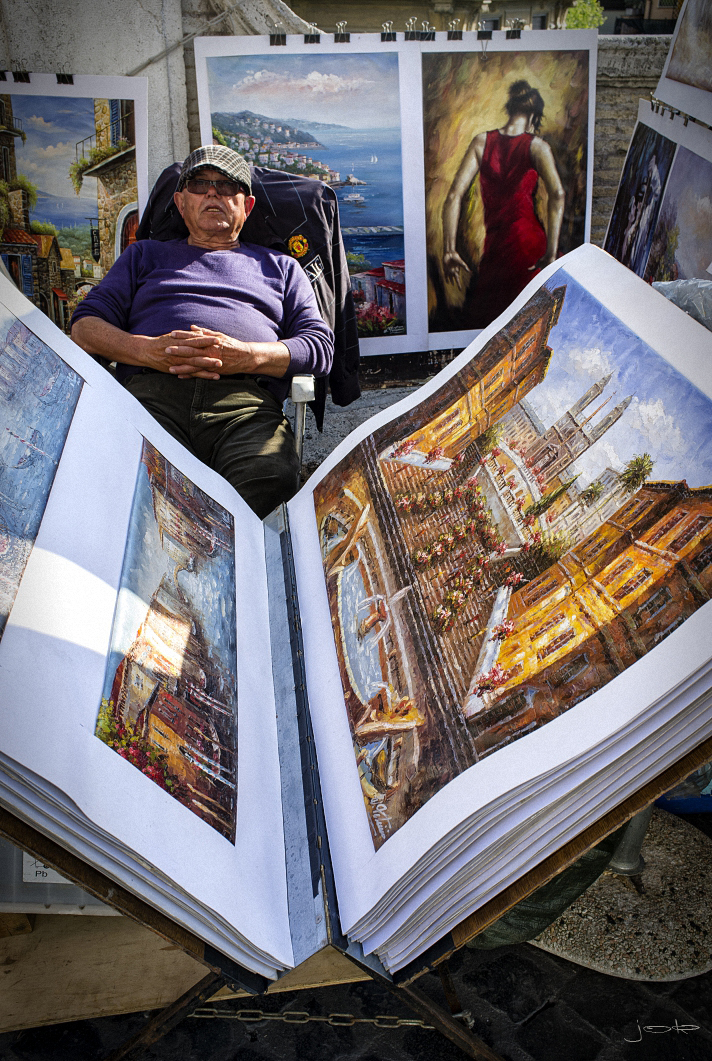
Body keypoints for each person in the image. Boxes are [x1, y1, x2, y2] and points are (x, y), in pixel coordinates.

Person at [71, 145, 334, 519]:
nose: (213, 193)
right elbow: (85, 327)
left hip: (244, 406)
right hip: (153, 398)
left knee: (269, 478)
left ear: (248, 206)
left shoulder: (281, 268)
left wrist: (248, 355)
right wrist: (147, 351)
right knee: (131, 482)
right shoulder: (144, 256)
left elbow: (319, 346)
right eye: (200, 184)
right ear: (180, 203)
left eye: (227, 186)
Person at [441, 80, 565, 329]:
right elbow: (558, 194)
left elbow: (454, 196)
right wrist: (551, 253)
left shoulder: (481, 142)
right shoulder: (537, 147)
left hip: (497, 251)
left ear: (510, 109)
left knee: (492, 327)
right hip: (530, 249)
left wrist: (449, 249)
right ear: (533, 116)